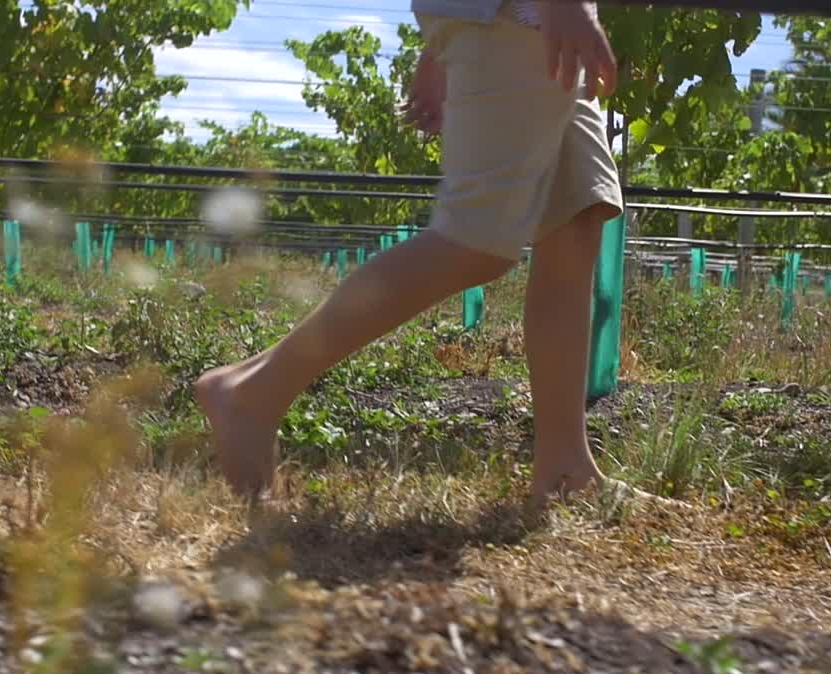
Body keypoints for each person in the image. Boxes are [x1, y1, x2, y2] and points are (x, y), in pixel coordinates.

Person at [197, 0, 626, 508]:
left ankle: (565, 467)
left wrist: (438, 46)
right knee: (475, 240)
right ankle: (254, 392)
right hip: (524, 16)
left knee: (574, 219)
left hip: (532, 20)